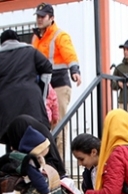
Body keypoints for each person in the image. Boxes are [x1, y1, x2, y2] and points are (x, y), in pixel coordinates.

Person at [32, 2, 82, 155]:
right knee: (42, 122)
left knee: (58, 123)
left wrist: (75, 70)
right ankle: (46, 159)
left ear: (51, 18)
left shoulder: (60, 35)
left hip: (59, 84)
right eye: (38, 16)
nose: (39, 19)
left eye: (43, 16)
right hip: (42, 85)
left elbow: (69, 54)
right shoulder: (36, 37)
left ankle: (58, 162)